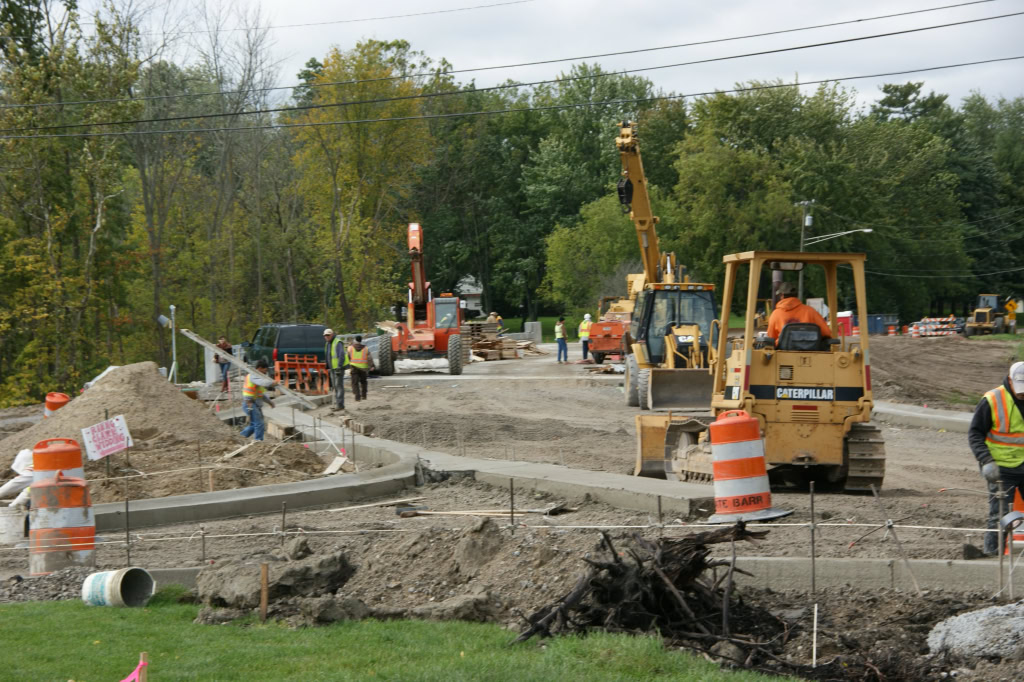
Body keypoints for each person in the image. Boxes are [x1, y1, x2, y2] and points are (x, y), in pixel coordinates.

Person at [968, 361, 1024, 556]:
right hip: (1001, 469)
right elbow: (975, 434)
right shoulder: (993, 399)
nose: (1022, 394)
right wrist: (986, 460)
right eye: (1020, 390)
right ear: (1010, 380)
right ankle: (992, 554)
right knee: (999, 515)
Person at [766, 281, 832, 341]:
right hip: (810, 352)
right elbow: (827, 333)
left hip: (783, 352)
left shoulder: (775, 314)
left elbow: (771, 337)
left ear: (782, 295)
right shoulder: (811, 311)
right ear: (796, 295)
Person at [240, 359, 278, 441]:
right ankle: (258, 442)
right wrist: (272, 383)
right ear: (260, 368)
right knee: (259, 424)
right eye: (265, 370)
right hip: (250, 403)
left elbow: (262, 395)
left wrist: (270, 402)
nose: (265, 372)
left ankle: (240, 437)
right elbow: (262, 382)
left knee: (254, 425)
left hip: (253, 404)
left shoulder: (257, 378)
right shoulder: (253, 376)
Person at [323, 328, 348, 412]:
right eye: (325, 335)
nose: (326, 337)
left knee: (339, 386)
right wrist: (328, 367)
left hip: (338, 368)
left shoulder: (337, 342)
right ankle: (338, 404)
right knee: (335, 386)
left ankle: (340, 405)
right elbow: (328, 356)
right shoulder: (328, 344)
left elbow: (341, 355)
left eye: (328, 335)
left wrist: (339, 366)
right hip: (333, 368)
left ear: (332, 334)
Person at [347, 335, 375, 402]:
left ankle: (357, 397)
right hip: (363, 368)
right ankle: (364, 396)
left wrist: (348, 364)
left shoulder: (350, 348)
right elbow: (369, 358)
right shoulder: (366, 348)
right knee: (363, 382)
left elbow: (348, 357)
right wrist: (372, 366)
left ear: (355, 340)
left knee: (355, 383)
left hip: (354, 367)